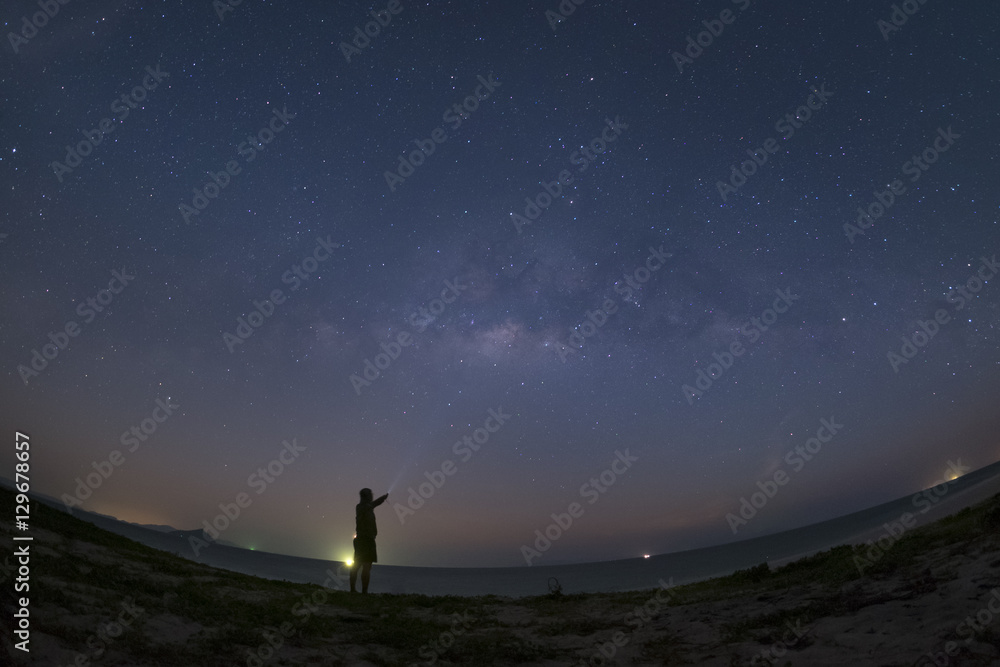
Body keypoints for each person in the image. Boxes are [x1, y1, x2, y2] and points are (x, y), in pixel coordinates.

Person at [350, 487, 388, 594]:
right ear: (365, 496)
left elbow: (374, 504)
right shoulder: (362, 507)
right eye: (370, 494)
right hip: (364, 540)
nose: (372, 495)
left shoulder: (366, 507)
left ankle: (359, 591)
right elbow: (375, 503)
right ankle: (361, 592)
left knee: (361, 565)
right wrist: (383, 498)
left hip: (367, 540)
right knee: (363, 565)